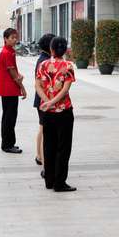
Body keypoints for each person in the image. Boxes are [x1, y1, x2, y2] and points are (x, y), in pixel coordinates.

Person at [36, 36, 77, 192]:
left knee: (49, 145)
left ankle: (49, 180)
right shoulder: (68, 66)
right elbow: (66, 89)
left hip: (47, 111)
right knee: (63, 148)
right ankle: (60, 182)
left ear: (51, 50)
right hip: (64, 111)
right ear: (65, 50)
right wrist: (53, 102)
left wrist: (47, 102)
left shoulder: (43, 65)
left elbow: (37, 86)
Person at [0, 28, 27, 154]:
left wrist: (19, 76)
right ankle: (7, 144)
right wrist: (22, 87)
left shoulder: (10, 51)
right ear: (5, 39)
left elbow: (14, 70)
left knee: (9, 117)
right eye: (12, 38)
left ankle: (9, 143)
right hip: (8, 89)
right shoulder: (6, 53)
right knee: (9, 118)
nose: (15, 40)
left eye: (16, 37)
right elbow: (13, 73)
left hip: (9, 88)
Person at [34, 33, 55, 167]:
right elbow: (40, 84)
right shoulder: (44, 61)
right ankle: (41, 157)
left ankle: (39, 156)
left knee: (42, 128)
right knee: (44, 129)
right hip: (44, 100)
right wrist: (48, 102)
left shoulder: (44, 58)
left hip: (43, 100)